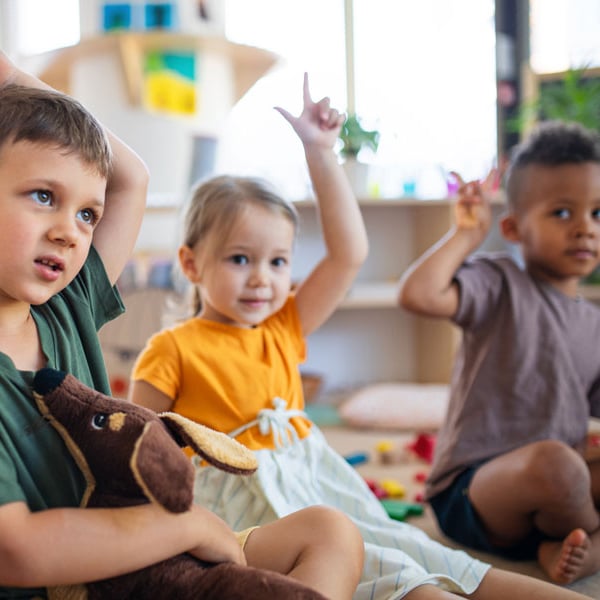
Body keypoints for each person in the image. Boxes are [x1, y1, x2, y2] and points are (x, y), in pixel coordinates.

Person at [129, 75, 591, 600]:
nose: (262, 278)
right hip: (251, 498)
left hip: (317, 477)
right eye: (240, 259)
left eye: (278, 261)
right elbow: (140, 448)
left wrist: (320, 153)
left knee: (427, 555)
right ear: (190, 263)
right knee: (393, 579)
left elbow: (348, 253)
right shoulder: (172, 347)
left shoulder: (283, 325)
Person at [0, 51, 365, 600]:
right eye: (44, 197)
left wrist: (10, 77)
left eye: (87, 215)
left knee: (331, 532)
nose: (70, 232)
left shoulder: (66, 305)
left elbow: (130, 178)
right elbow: (16, 551)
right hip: (65, 582)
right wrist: (185, 524)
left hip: (140, 552)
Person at [398, 120, 600, 588]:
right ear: (512, 227)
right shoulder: (499, 281)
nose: (585, 229)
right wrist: (465, 237)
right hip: (475, 490)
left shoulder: (593, 323)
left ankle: (566, 544)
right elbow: (419, 295)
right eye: (563, 213)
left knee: (567, 465)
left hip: (558, 493)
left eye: (597, 214)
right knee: (557, 465)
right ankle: (589, 538)